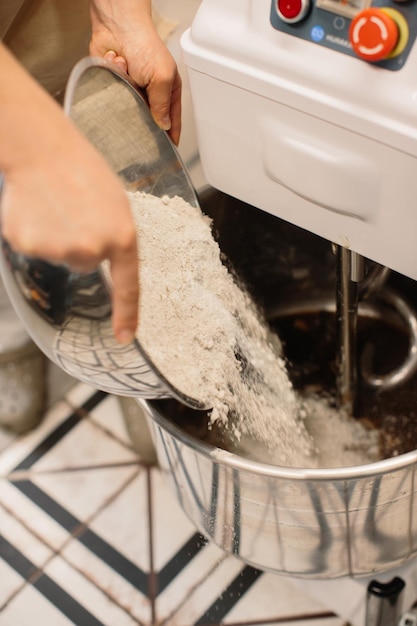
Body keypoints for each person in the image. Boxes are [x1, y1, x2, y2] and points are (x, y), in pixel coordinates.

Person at [0, 0, 182, 432]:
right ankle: (10, 340)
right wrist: (32, 152)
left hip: (64, 28)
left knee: (123, 180)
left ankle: (143, 357)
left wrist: (120, 13)